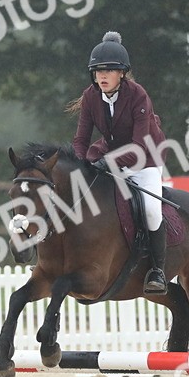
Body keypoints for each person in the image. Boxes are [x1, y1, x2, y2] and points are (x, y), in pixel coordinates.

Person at [69, 31, 169, 295]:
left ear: (122, 73)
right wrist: (82, 164)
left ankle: (157, 270)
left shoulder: (138, 96)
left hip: (145, 157)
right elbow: (80, 140)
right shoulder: (91, 96)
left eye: (109, 71)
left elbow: (138, 147)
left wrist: (107, 163)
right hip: (108, 153)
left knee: (150, 211)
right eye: (98, 71)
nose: (102, 76)